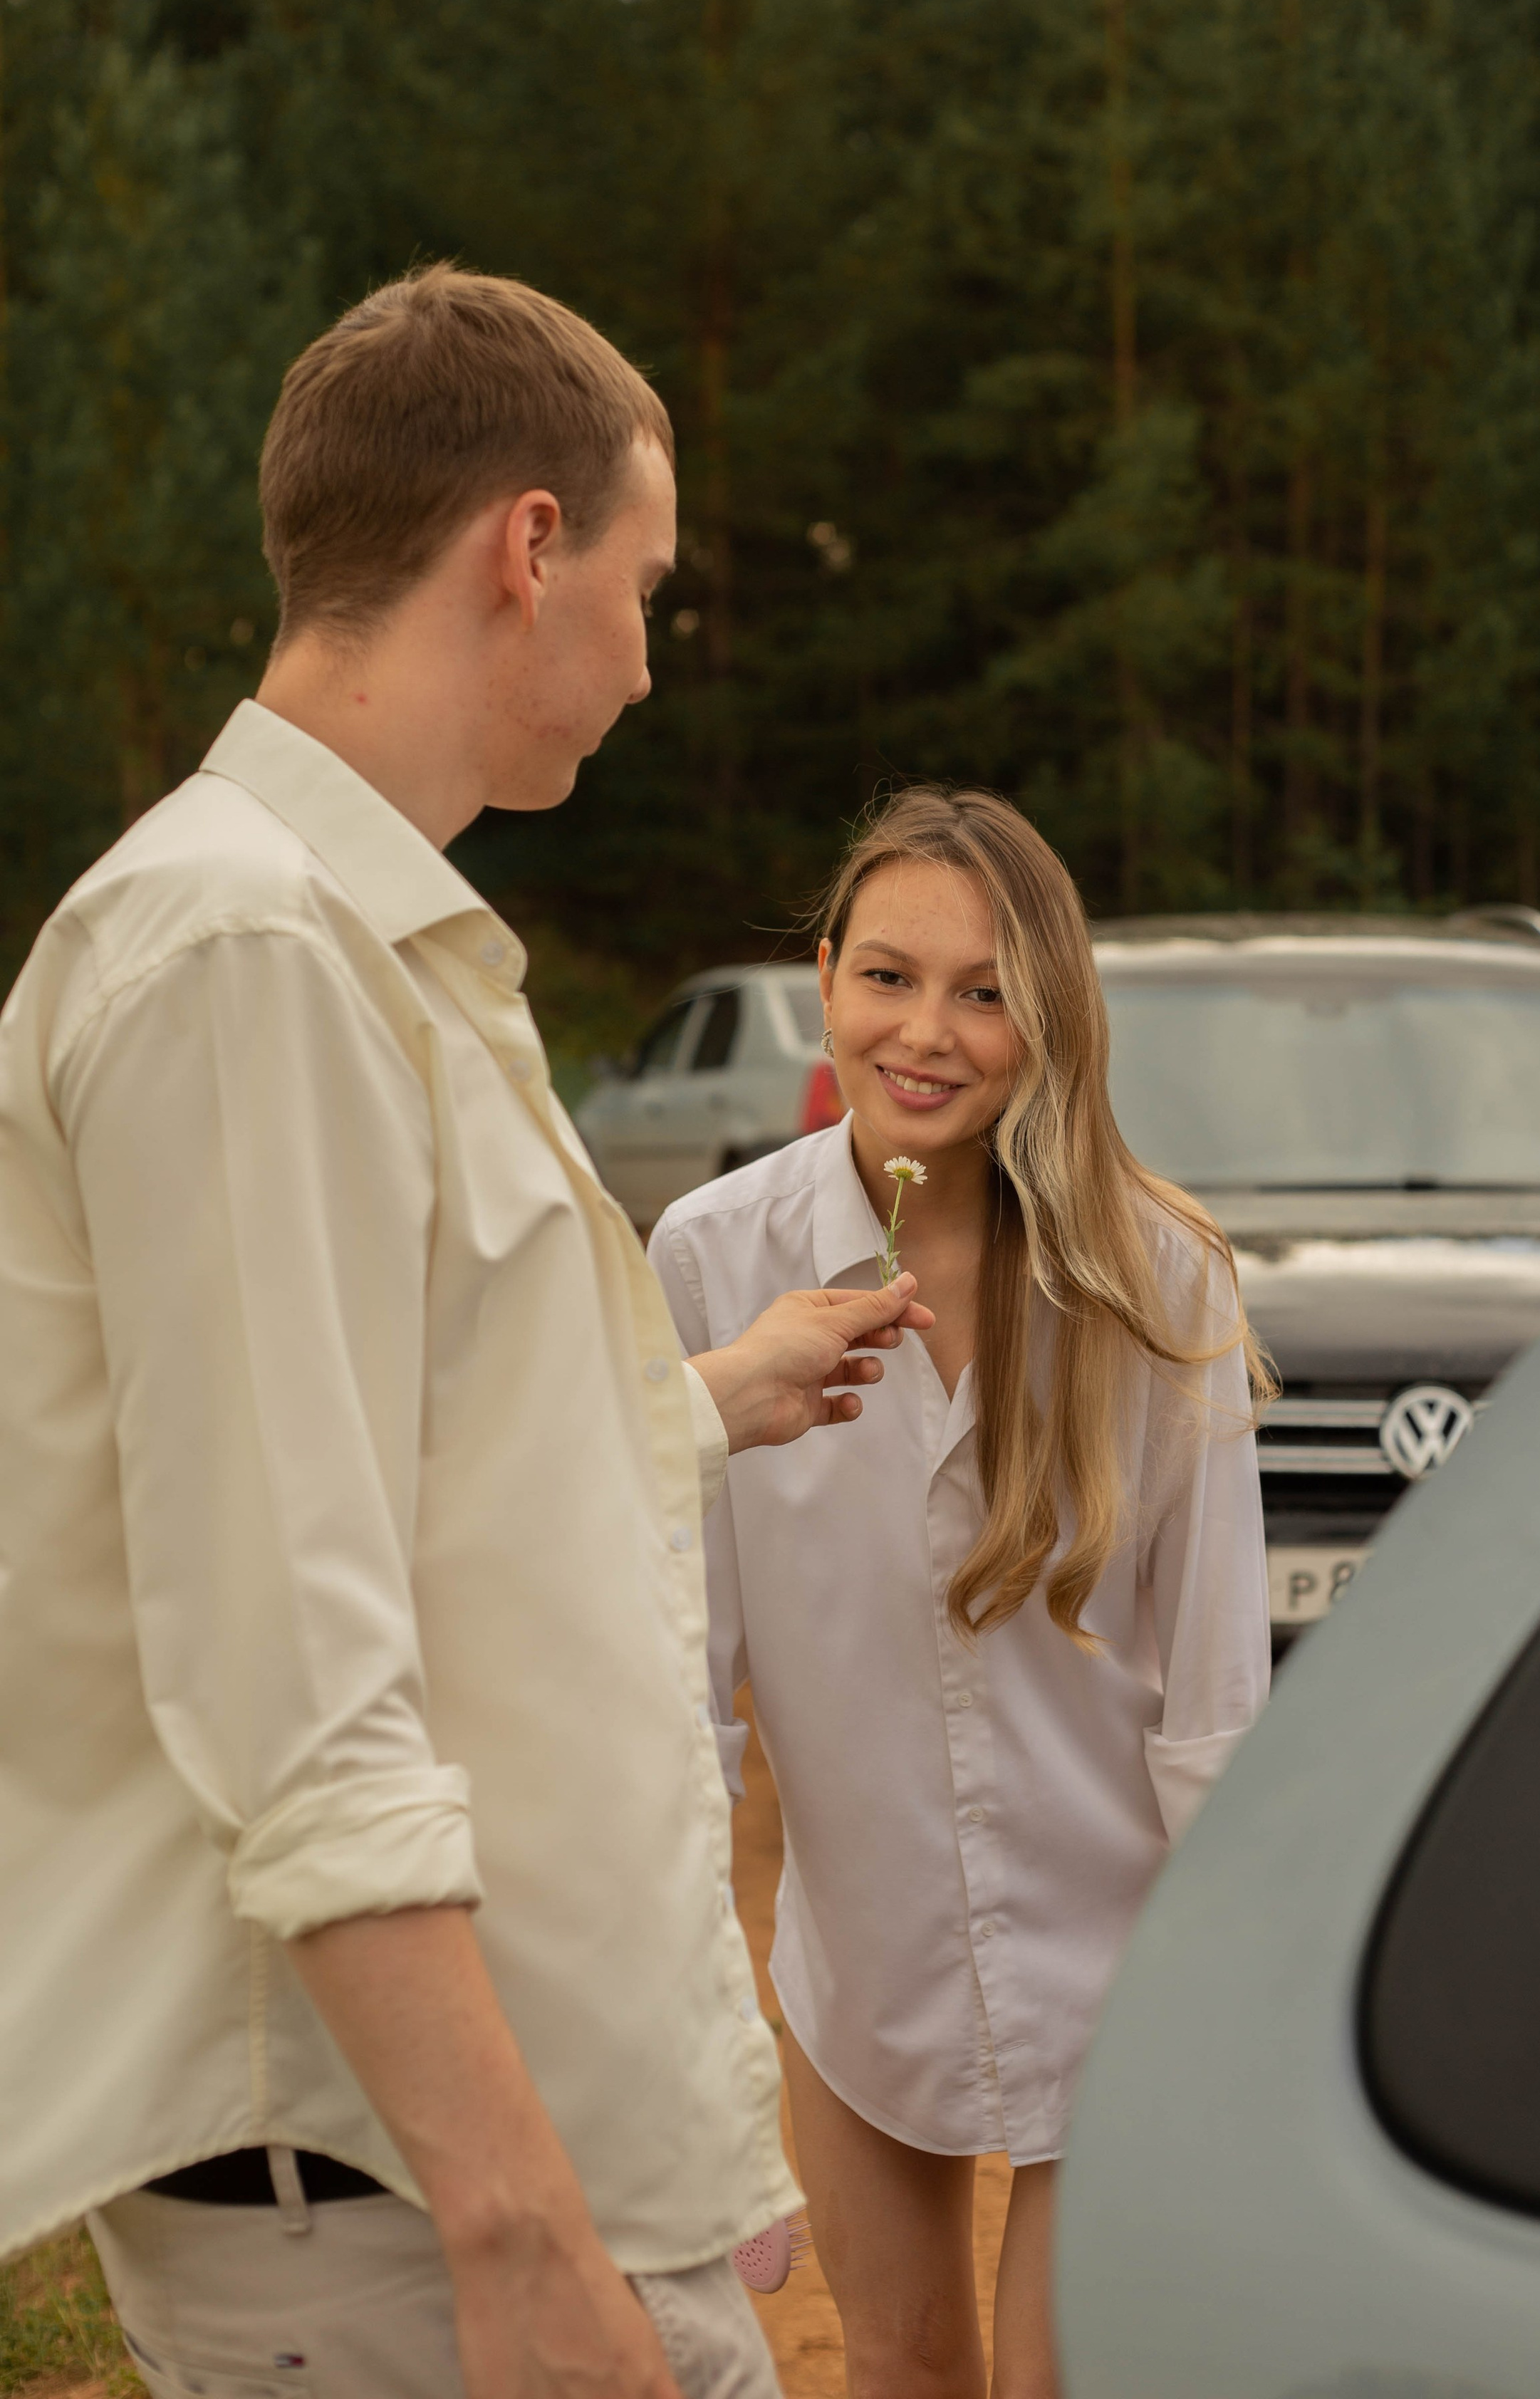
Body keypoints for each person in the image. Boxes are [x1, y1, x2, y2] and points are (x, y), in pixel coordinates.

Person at [0, 265, 935, 2399]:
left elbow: (403, 1476)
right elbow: (289, 1658)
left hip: (472, 2186)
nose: (650, 658)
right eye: (647, 585)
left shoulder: (340, 935)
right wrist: (518, 2234)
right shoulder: (243, 954)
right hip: (408, 2219)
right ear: (527, 545)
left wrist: (703, 1405)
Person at [647, 789, 1273, 2399]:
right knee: (905, 2366)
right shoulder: (710, 1262)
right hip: (859, 1965)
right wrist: (689, 2004)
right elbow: (680, 1686)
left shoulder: (1163, 1279)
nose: (926, 1033)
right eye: (888, 976)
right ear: (822, 981)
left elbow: (1215, 1700)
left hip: (1122, 1966)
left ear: (1049, 1019)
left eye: (985, 992)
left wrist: (1239, 2006)